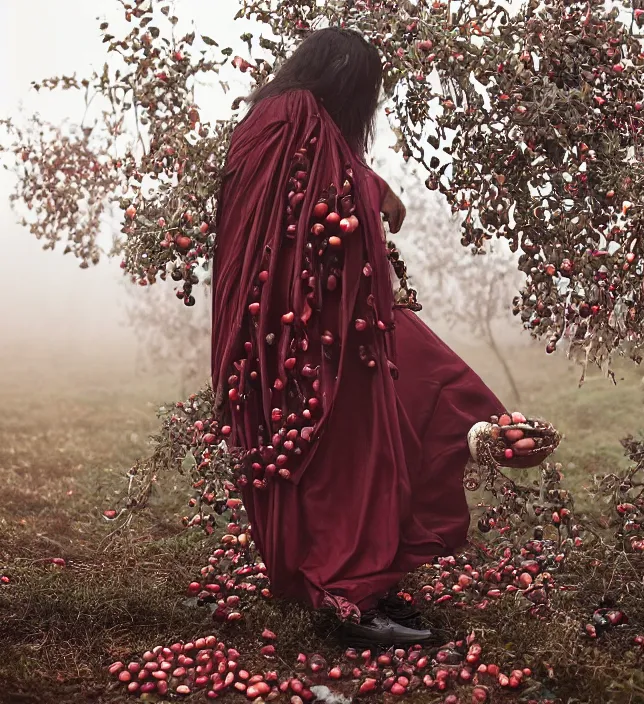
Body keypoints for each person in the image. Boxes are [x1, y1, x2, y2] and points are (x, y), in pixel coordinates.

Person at [211, 27, 558, 645]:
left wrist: (371, 185)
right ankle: (352, 595)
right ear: (343, 79)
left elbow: (321, 184)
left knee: (417, 395)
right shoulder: (286, 114)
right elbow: (299, 203)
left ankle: (378, 571)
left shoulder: (293, 116)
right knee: (345, 456)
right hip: (302, 328)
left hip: (339, 317)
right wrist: (372, 189)